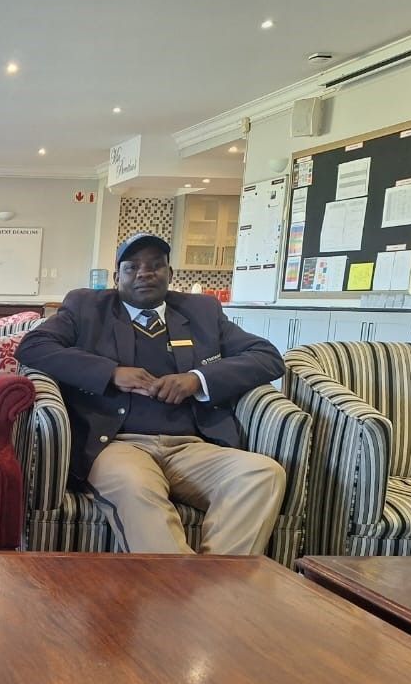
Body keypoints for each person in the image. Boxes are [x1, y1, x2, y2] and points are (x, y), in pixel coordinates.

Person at [16, 232, 285, 555]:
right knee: (136, 487)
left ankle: (215, 589)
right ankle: (184, 594)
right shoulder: (87, 307)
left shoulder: (202, 312)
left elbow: (267, 356)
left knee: (262, 474)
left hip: (192, 448)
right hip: (116, 446)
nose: (145, 273)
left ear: (170, 275)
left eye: (156, 266)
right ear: (117, 277)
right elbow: (33, 347)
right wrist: (110, 373)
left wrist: (197, 379)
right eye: (132, 267)